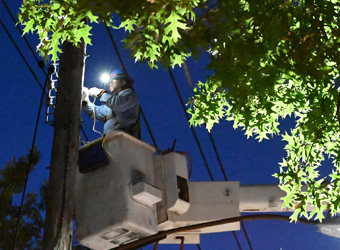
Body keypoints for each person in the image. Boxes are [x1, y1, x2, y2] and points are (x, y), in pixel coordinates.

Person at [81, 70, 140, 138]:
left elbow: (118, 104)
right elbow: (95, 112)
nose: (110, 84)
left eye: (112, 81)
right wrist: (85, 101)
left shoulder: (130, 96)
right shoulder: (112, 105)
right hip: (112, 142)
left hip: (125, 142)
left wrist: (100, 93)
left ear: (123, 82)